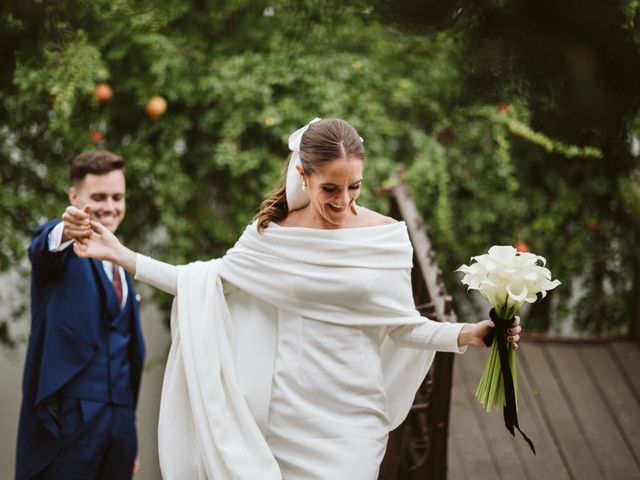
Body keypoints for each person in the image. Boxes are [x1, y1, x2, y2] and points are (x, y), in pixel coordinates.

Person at [73, 119, 521, 480]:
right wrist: (123, 255)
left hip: (352, 420)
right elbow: (201, 283)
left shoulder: (387, 238)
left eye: (355, 188)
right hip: (281, 416)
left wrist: (470, 333)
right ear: (303, 176)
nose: (343, 202)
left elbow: (402, 325)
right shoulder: (271, 235)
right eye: (330, 189)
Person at [16, 151, 145, 480]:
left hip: (120, 424)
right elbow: (43, 248)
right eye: (98, 197)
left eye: (117, 197)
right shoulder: (60, 246)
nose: (110, 206)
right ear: (75, 197)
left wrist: (126, 431)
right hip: (69, 421)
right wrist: (65, 229)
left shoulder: (122, 263)